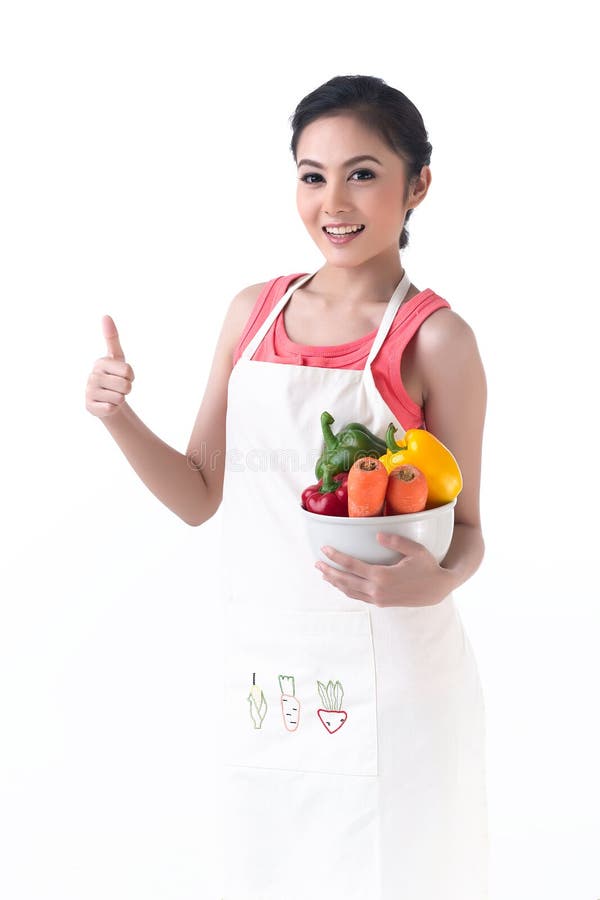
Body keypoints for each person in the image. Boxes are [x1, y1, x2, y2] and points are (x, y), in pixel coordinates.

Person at [86, 74, 489, 900]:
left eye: (363, 172)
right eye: (312, 175)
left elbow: (471, 528)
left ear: (418, 184)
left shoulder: (437, 339)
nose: (333, 201)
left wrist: (435, 581)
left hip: (398, 685)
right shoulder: (251, 313)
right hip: (271, 681)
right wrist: (118, 416)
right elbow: (201, 494)